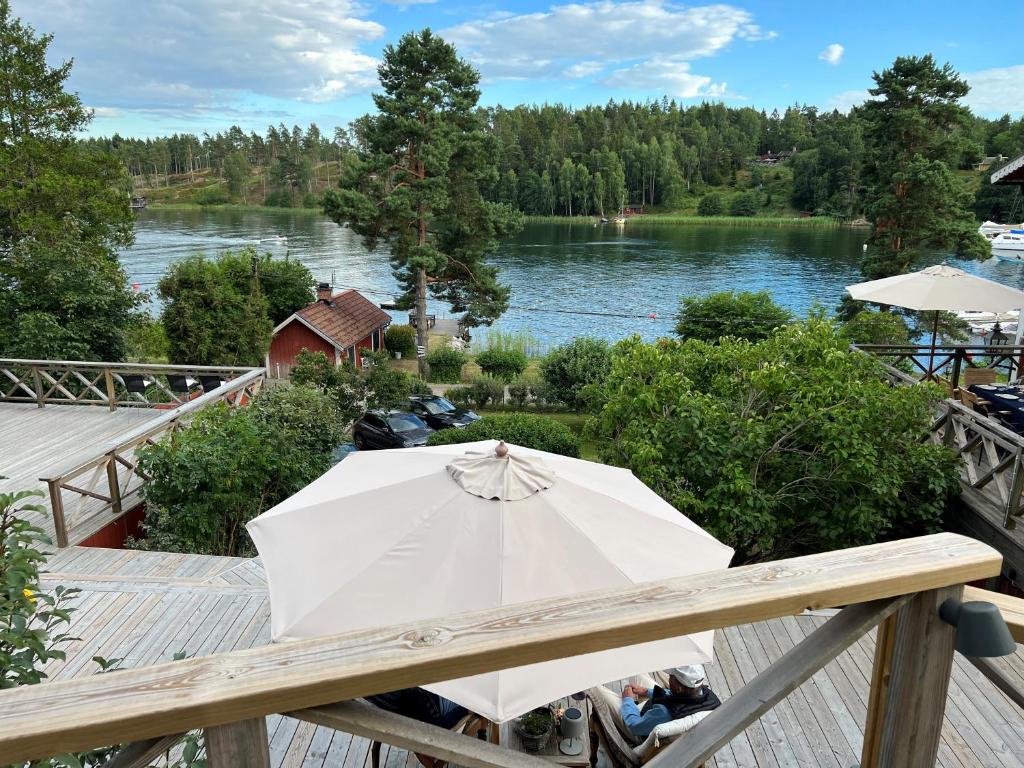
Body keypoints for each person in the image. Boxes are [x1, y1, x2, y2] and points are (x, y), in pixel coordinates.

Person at [598, 666, 721, 742]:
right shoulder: (705, 695)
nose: (669, 677)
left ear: (678, 688)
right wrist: (646, 691)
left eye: (671, 677)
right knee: (636, 669)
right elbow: (676, 698)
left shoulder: (664, 712)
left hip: (639, 728)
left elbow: (634, 726)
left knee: (598, 691)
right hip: (661, 713)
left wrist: (628, 700)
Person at [365, 687, 468, 729]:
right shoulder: (405, 703)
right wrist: (465, 710)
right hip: (441, 707)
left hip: (435, 689)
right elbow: (436, 727)